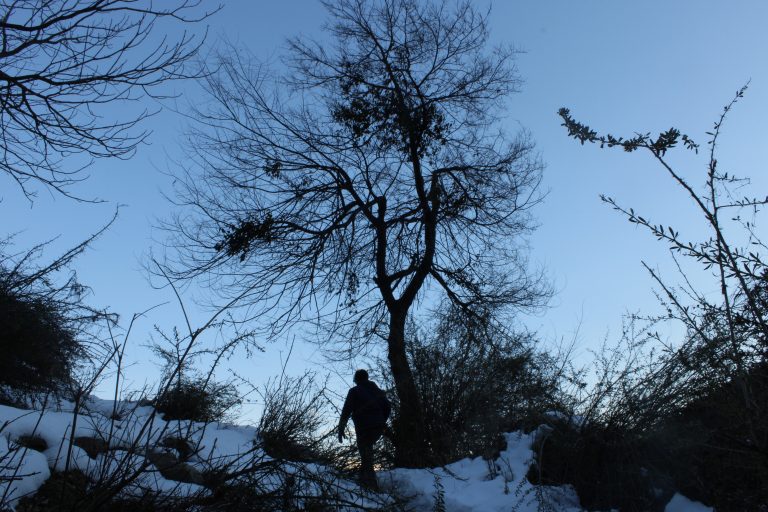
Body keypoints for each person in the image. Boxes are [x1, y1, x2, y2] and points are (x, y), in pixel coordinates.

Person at [338, 369, 391, 489]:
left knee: (366, 455)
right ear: (367, 378)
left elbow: (346, 411)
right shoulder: (378, 391)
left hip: (364, 428)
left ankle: (371, 486)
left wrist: (341, 429)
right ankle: (363, 481)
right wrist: (381, 421)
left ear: (356, 379)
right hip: (378, 428)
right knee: (366, 454)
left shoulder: (354, 391)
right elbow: (388, 407)